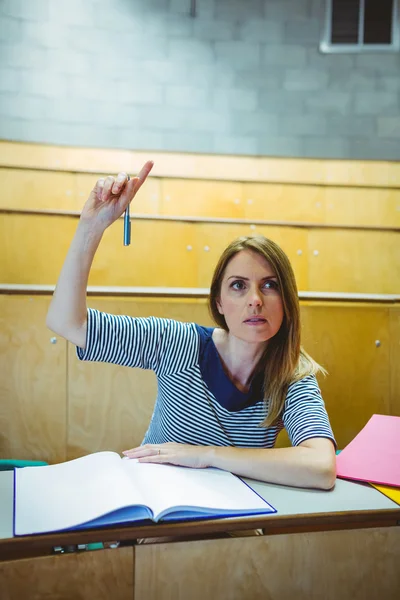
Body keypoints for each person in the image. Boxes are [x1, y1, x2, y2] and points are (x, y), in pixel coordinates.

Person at [47, 162, 336, 491]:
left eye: (269, 285)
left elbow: (321, 466)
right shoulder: (178, 343)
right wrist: (91, 225)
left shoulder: (292, 371)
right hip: (157, 507)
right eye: (238, 286)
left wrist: (208, 455)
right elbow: (66, 323)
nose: (255, 300)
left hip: (231, 514)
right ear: (219, 303)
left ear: (287, 300)